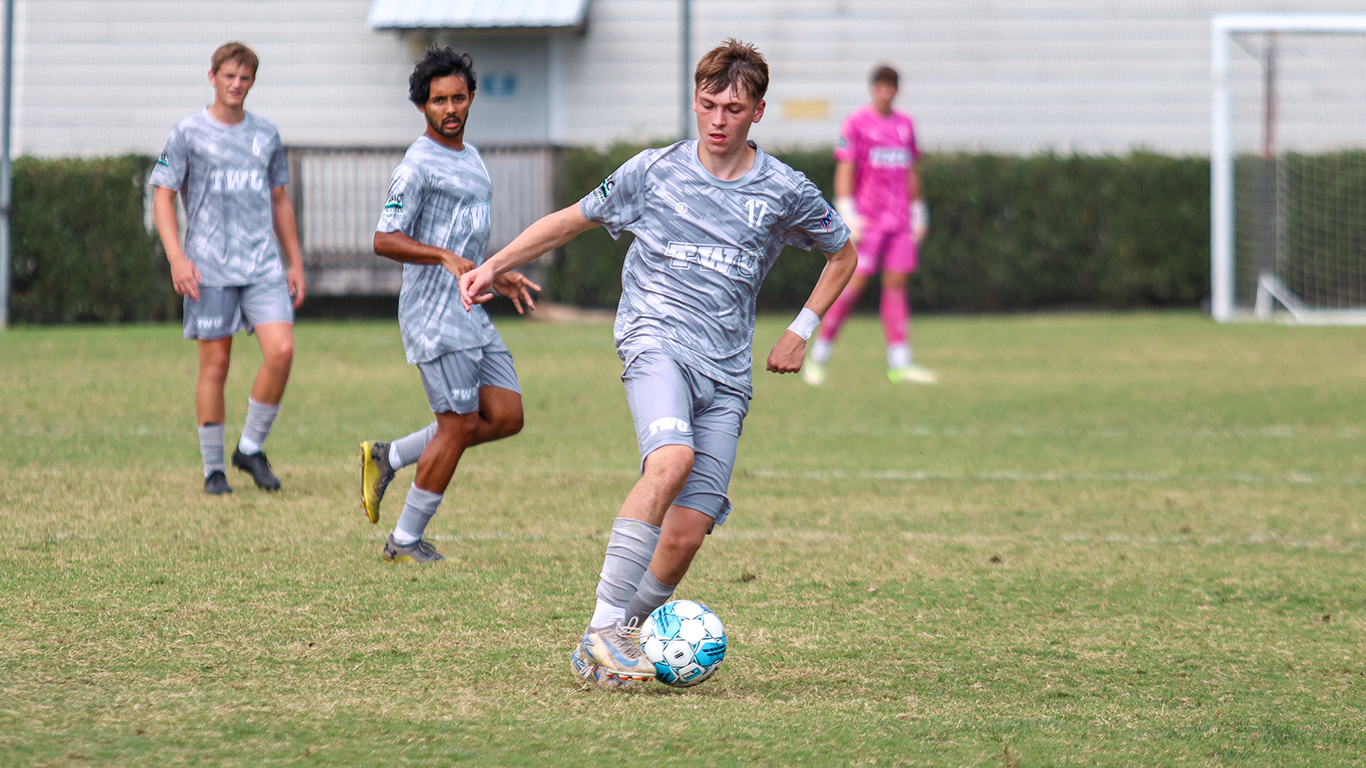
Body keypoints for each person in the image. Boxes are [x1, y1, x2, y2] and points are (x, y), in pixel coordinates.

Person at [460, 39, 857, 684]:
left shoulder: (783, 189)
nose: (718, 119)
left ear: (758, 111)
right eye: (707, 104)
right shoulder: (654, 172)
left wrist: (802, 329)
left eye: (733, 107)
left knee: (686, 535)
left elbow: (844, 253)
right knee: (671, 459)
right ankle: (601, 629)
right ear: (694, 103)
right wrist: (495, 265)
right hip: (655, 340)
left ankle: (619, 639)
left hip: (727, 372)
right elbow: (569, 221)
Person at [357, 46, 539, 564]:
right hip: (433, 315)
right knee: (457, 425)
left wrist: (494, 274)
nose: (450, 108)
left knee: (506, 415)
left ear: (472, 98)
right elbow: (384, 238)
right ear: (423, 106)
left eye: (459, 97)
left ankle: (387, 456)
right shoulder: (416, 167)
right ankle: (405, 540)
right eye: (439, 100)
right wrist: (441, 256)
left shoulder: (472, 157)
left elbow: (464, 239)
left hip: (470, 309)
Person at [151, 42, 306, 495]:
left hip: (262, 265)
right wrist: (177, 257)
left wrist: (294, 262)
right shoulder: (187, 132)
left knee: (281, 351)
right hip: (209, 269)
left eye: (245, 78)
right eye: (228, 76)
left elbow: (279, 199)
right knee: (215, 366)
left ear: (252, 82)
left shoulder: (266, 135)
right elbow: (162, 194)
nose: (236, 85)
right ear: (212, 76)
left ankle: (251, 447)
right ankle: (213, 468)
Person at [803, 64, 937, 386]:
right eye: (880, 86)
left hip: (899, 222)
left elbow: (911, 170)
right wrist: (847, 209)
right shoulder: (857, 123)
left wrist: (918, 209)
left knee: (896, 286)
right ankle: (818, 356)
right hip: (869, 221)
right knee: (851, 287)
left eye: (890, 87)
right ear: (872, 89)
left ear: (896, 90)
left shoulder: (905, 125)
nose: (885, 92)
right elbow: (846, 167)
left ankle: (900, 363)